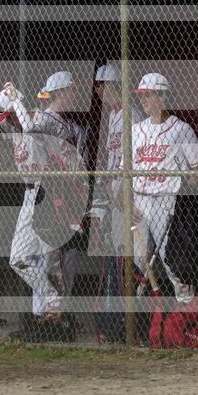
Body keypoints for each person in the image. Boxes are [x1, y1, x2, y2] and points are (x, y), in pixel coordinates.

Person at [0, 69, 85, 340]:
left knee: (51, 260)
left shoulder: (42, 121)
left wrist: (16, 101)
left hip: (49, 195)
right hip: (29, 196)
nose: (7, 120)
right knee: (18, 259)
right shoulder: (13, 126)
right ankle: (50, 301)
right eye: (6, 116)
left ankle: (54, 319)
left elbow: (31, 127)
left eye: (10, 114)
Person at [125, 73, 198, 316]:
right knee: (138, 261)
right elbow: (124, 172)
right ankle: (144, 317)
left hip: (166, 201)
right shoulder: (135, 130)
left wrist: (186, 182)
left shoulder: (181, 129)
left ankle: (187, 313)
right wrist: (128, 201)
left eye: (148, 95)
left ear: (162, 96)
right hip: (139, 200)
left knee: (172, 258)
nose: (143, 100)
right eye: (141, 96)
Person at [88, 64, 145, 342]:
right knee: (115, 255)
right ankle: (119, 320)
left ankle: (132, 321)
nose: (100, 92)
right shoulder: (112, 115)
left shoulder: (130, 114)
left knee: (129, 256)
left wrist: (122, 190)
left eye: (104, 87)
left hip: (127, 194)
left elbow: (133, 157)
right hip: (114, 195)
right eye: (99, 88)